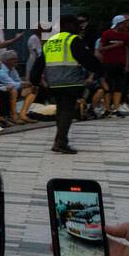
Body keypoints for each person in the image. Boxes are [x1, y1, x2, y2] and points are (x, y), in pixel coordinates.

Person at [30, 13, 105, 154]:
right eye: (76, 24)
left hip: (53, 83)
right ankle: (60, 142)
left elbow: (39, 62)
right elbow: (86, 58)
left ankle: (60, 140)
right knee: (67, 111)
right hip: (70, 81)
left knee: (61, 110)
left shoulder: (51, 41)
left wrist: (34, 80)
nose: (79, 27)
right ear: (69, 25)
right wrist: (98, 70)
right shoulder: (73, 40)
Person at [96, 14, 129, 118]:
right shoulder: (107, 34)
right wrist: (114, 46)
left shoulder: (126, 35)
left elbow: (127, 51)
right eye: (124, 23)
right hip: (108, 63)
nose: (126, 25)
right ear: (118, 23)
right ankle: (107, 108)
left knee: (119, 86)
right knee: (109, 86)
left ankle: (116, 108)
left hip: (120, 64)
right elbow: (100, 49)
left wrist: (127, 64)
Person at [0, 52, 24, 124]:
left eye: (16, 59)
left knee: (32, 89)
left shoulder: (13, 69)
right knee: (13, 90)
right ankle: (14, 115)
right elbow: (13, 84)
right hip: (0, 89)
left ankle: (23, 114)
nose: (16, 61)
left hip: (9, 88)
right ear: (6, 61)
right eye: (13, 59)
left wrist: (24, 84)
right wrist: (23, 84)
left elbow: (18, 81)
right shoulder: (1, 71)